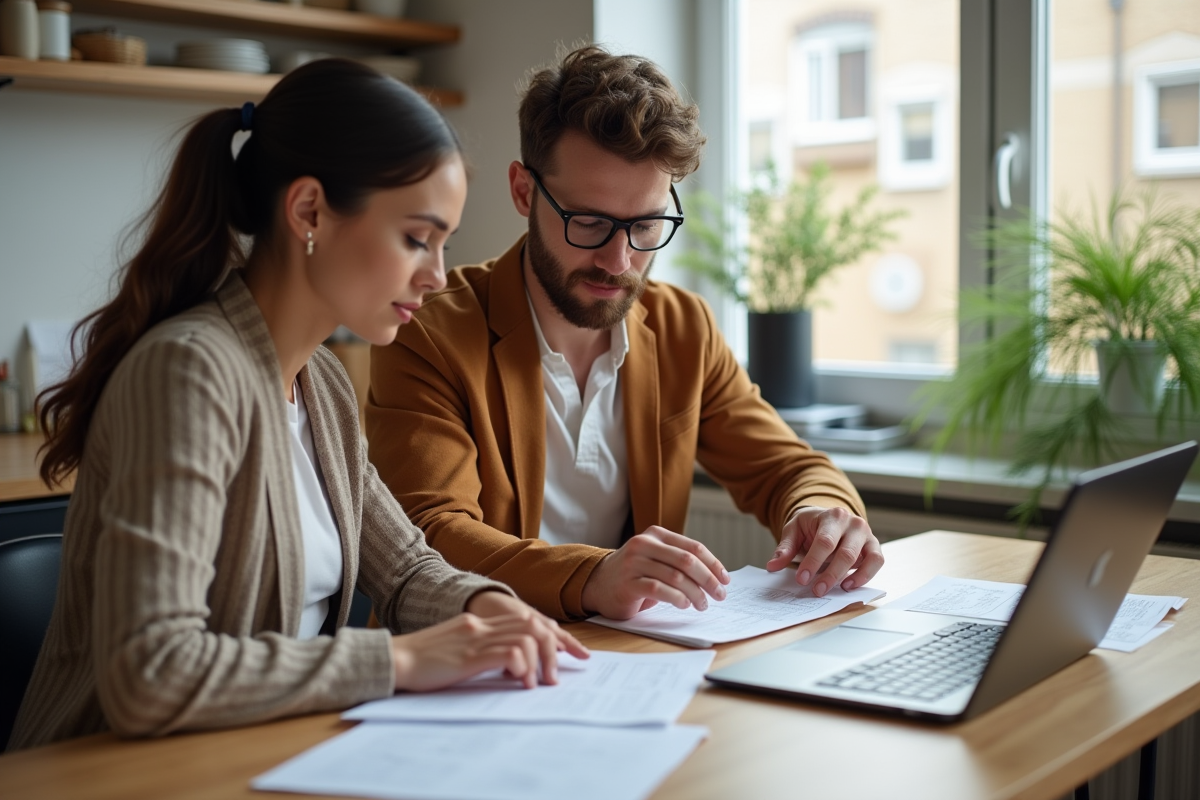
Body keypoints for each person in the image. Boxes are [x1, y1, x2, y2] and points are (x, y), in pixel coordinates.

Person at [9, 58, 585, 752]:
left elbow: (402, 569)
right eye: (415, 238)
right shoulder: (189, 373)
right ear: (309, 211)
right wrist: (402, 661)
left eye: (444, 245)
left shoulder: (323, 384)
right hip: (113, 775)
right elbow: (150, 672)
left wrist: (486, 607)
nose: (436, 276)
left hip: (252, 758)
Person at [365, 45, 884, 623]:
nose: (619, 261)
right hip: (466, 658)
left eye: (646, 225)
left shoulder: (683, 327)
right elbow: (431, 535)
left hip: (625, 659)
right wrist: (592, 576)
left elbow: (785, 467)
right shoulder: (428, 331)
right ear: (523, 192)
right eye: (588, 222)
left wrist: (822, 510)